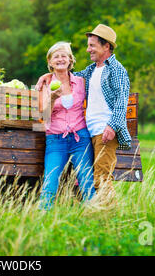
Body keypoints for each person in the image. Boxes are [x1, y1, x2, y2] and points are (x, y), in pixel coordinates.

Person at [36, 24, 131, 202]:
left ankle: (107, 216)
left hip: (103, 131)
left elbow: (121, 102)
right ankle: (97, 213)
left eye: (92, 46)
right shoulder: (91, 70)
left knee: (99, 179)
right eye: (88, 45)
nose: (88, 50)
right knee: (90, 179)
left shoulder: (117, 70)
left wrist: (112, 126)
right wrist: (46, 76)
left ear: (106, 47)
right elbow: (65, 75)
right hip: (86, 132)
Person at [37, 41, 95, 211]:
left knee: (86, 179)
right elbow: (42, 116)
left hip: (80, 138)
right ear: (50, 62)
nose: (60, 59)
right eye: (56, 56)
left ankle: (93, 214)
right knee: (50, 180)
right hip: (56, 140)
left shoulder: (81, 82)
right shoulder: (45, 85)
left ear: (70, 60)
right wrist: (53, 98)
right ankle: (43, 217)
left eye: (64, 56)